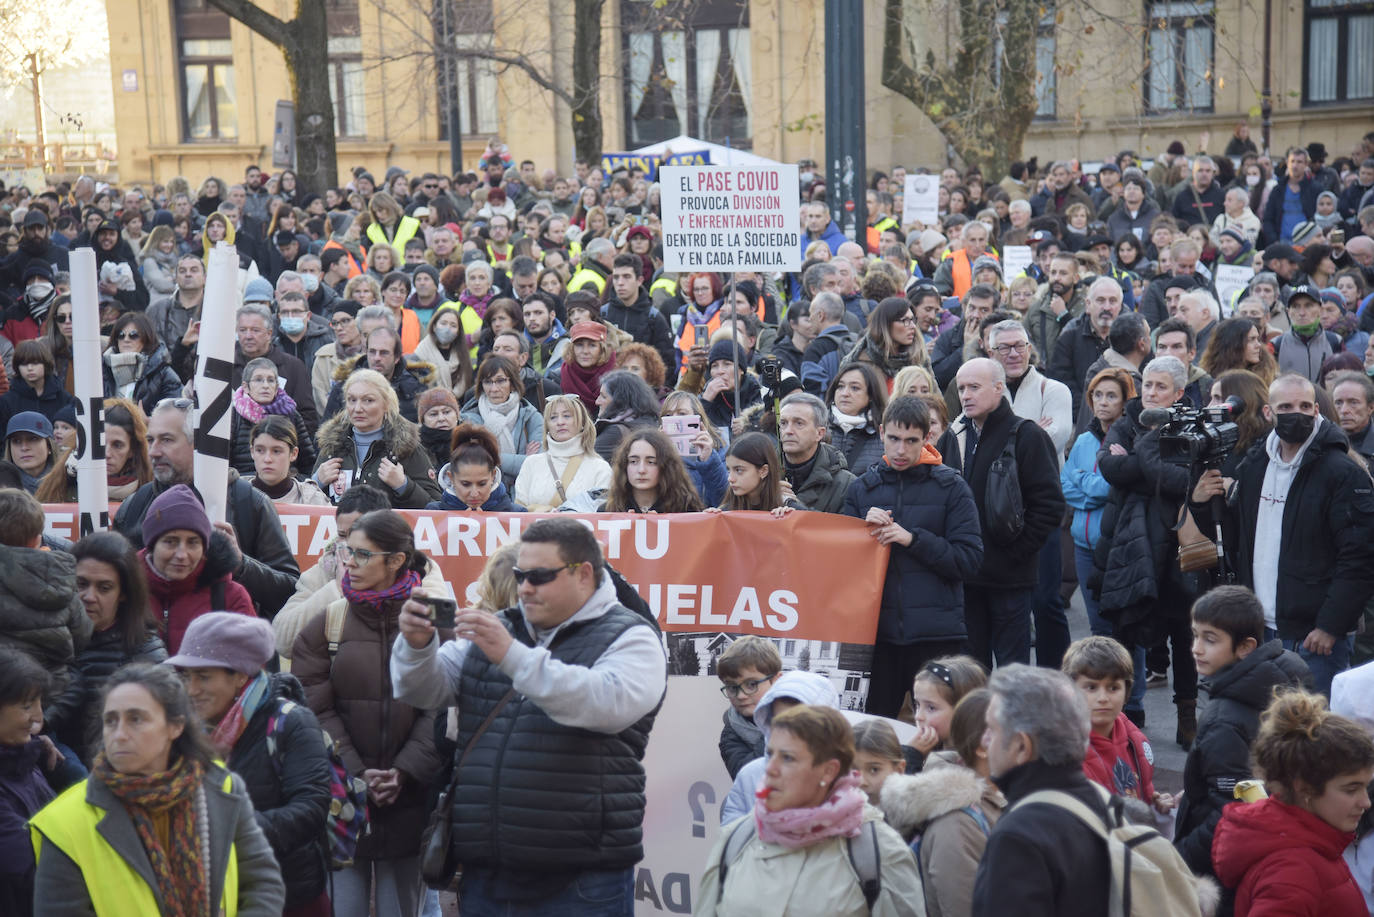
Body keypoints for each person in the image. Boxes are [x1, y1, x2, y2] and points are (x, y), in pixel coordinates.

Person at [391, 517, 667, 914]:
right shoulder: (502, 627)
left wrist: (512, 656)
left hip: (582, 877)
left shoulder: (631, 636)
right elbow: (421, 690)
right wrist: (416, 646)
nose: (524, 588)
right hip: (488, 872)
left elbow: (605, 704)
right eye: (520, 575)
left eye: (539, 576)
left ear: (584, 574)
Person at [30, 663, 286, 914]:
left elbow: (262, 882)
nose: (119, 734)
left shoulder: (220, 787)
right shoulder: (65, 821)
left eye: (136, 719)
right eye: (111, 721)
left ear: (175, 726)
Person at [292, 510, 442, 917]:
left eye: (362, 554)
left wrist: (404, 770)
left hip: (411, 802)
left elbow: (445, 706)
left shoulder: (434, 618)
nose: (350, 563)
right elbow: (313, 709)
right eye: (347, 551)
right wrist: (357, 774)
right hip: (342, 804)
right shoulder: (327, 622)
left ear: (396, 561)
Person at [1191, 372, 1374, 696]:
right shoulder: (1255, 465)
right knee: (1266, 722)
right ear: (1268, 412)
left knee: (1311, 724)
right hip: (1260, 629)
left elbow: (1358, 557)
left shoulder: (1342, 472)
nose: (1297, 414)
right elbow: (1236, 539)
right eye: (1286, 407)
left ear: (1316, 410)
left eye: (1304, 406)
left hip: (1313, 637)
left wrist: (1330, 625)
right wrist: (1203, 504)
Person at [169, 612, 334, 917]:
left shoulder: (290, 722)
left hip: (289, 895)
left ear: (241, 676)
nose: (191, 689)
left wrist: (231, 829)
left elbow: (311, 807)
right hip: (215, 894)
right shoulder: (183, 730)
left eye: (203, 677)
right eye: (186, 676)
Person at [698, 704, 924, 917]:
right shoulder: (737, 838)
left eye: (788, 758)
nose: (771, 768)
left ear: (829, 771)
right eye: (771, 754)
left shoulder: (879, 850)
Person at [842, 396, 983, 717]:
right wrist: (861, 532)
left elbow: (969, 561)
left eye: (911, 441)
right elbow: (844, 570)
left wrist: (912, 539)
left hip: (937, 636)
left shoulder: (952, 487)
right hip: (878, 637)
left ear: (927, 438)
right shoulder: (861, 489)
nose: (901, 450)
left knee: (941, 733)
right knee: (874, 733)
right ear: (881, 433)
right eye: (893, 439)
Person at [113, 398, 301, 618]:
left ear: (198, 443)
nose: (153, 451)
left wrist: (241, 565)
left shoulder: (249, 503)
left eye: (166, 440)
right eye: (150, 440)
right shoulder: (134, 506)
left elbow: (289, 592)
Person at [1173, 586, 1310, 878]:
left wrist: (1179, 859)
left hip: (1227, 866)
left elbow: (1231, 810)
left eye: (1210, 639)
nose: (1196, 648)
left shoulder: (1223, 720)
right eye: (1195, 635)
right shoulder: (1284, 672)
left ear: (1246, 647)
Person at [938, 359, 1065, 668]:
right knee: (970, 673)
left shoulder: (1027, 435)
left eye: (974, 387)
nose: (965, 395)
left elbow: (1049, 506)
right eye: (961, 388)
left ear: (998, 389)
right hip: (966, 579)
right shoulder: (953, 436)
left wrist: (1014, 555)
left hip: (1010, 580)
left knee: (1012, 673)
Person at [1212, 691, 1374, 916]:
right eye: (1351, 789)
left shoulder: (1313, 843)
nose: (1366, 802)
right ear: (1304, 787)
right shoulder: (1291, 874)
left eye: (1366, 787)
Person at [970, 665, 1111, 916]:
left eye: (991, 729)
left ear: (1022, 746)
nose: (984, 740)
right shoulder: (1107, 803)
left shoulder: (1017, 838)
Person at [879, 688, 1005, 917]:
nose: (1027, 744)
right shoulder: (958, 823)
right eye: (1014, 735)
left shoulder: (996, 798)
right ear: (982, 747)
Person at [0, 489, 90, 758]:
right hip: (48, 701)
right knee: (67, 768)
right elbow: (82, 636)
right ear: (38, 537)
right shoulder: (60, 578)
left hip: (6, 700)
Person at [64, 533, 167, 764]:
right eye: (81, 584)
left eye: (104, 588)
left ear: (123, 594)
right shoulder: (44, 637)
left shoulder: (145, 653)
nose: (89, 596)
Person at [139, 484, 256, 654]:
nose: (182, 554)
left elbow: (250, 663)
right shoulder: (124, 591)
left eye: (193, 542)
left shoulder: (231, 597)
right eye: (170, 541)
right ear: (151, 545)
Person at [1061, 636, 1173, 812]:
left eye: (1113, 688)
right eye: (1091, 687)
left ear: (1127, 691)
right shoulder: (1065, 755)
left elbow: (1140, 790)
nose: (1103, 698)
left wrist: (1153, 803)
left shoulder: (1133, 737)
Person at [1062, 368, 1134, 640]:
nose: (1103, 402)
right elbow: (1064, 484)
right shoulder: (1083, 440)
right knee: (1098, 628)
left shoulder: (1130, 439)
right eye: (1098, 395)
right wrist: (1093, 494)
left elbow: (1113, 487)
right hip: (1083, 546)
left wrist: (1084, 481)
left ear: (1125, 402)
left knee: (1127, 629)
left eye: (1111, 396)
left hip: (1117, 546)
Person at [313, 368, 442, 509]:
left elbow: (435, 507)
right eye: (352, 400)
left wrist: (404, 486)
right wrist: (316, 482)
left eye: (368, 400)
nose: (357, 408)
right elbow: (306, 505)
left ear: (386, 404)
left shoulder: (406, 447)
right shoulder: (332, 445)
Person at [0, 647, 56, 917]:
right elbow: (39, 869)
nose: (38, 718)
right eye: (26, 706)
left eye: (39, 704)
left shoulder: (23, 758)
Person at [36, 399, 153, 504]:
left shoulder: (150, 491)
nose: (107, 453)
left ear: (132, 450)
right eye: (99, 443)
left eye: (117, 445)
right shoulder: (62, 481)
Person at [513, 394, 612, 511]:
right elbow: (519, 511)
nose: (560, 422)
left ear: (582, 422)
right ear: (547, 426)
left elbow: (602, 514)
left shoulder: (600, 468)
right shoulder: (531, 463)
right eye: (553, 417)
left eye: (567, 416)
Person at [459, 355, 544, 487]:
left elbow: (538, 463)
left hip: (525, 490)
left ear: (513, 383)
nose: (494, 389)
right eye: (488, 382)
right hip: (485, 492)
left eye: (500, 381)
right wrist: (525, 459)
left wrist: (490, 456)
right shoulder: (467, 420)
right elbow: (475, 462)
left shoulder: (531, 416)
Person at [230, 355, 316, 476]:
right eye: (258, 380)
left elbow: (308, 463)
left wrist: (297, 482)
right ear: (246, 387)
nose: (265, 385)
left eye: (270, 380)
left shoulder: (292, 415)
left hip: (286, 482)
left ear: (276, 387)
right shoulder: (234, 416)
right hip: (244, 482)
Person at [775, 392, 855, 514]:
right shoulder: (761, 473)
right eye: (783, 423)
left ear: (820, 433)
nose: (788, 431)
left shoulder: (846, 485)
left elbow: (843, 526)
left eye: (799, 423)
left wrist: (794, 506)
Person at [715, 636, 782, 780]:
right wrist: (778, 727)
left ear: (776, 680)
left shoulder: (806, 714)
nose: (741, 695)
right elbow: (749, 779)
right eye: (732, 687)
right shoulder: (731, 734)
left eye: (751, 684)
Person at [602, 428, 705, 514]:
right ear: (625, 465)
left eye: (651, 462)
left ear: (665, 466)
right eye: (633, 462)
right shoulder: (608, 511)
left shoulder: (686, 509)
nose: (641, 470)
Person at [426, 423, 524, 512]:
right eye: (465, 484)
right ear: (451, 478)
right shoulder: (432, 513)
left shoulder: (518, 514)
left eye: (482, 484)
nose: (474, 494)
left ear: (493, 476)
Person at [661, 390, 729, 507]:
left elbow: (724, 500)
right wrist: (659, 456)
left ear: (698, 418)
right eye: (668, 415)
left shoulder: (719, 448)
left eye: (682, 414)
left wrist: (709, 459)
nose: (675, 419)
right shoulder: (655, 451)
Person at [246, 416, 331, 506]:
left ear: (293, 453)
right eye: (260, 450)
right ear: (252, 451)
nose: (267, 459)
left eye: (276, 451)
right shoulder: (236, 495)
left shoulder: (314, 500)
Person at [714, 432, 799, 516]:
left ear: (763, 471)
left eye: (739, 470)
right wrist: (711, 518)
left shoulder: (787, 507)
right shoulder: (725, 512)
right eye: (729, 470)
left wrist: (791, 518)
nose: (730, 478)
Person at [1274, 282, 1343, 384]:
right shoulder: (1276, 344)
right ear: (1288, 312)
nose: (1302, 313)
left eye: (1308, 306)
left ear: (1320, 309)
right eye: (1296, 306)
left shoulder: (1335, 341)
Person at [826, 362, 888, 476]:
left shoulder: (883, 435)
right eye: (840, 386)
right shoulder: (818, 427)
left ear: (871, 395)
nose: (845, 393)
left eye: (855, 388)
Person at [0, 340, 76, 433]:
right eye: (24, 364)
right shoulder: (6, 402)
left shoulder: (64, 398)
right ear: (17, 367)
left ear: (45, 364)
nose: (30, 368)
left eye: (35, 363)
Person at [412, 302, 477, 403]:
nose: (447, 329)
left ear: (458, 331)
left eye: (453, 325)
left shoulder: (463, 354)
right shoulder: (420, 353)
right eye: (443, 323)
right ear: (434, 326)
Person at [594, 369, 662, 462]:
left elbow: (588, 466)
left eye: (603, 396)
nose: (597, 402)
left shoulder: (615, 432)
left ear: (620, 401)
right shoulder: (653, 424)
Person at [560, 320, 617, 417]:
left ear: (602, 349)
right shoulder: (559, 377)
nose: (585, 351)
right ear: (571, 348)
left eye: (592, 345)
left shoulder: (616, 376)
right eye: (579, 345)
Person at [1200, 316, 1278, 386]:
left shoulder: (1269, 379)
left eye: (1258, 339)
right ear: (1233, 345)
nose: (1258, 345)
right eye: (1251, 339)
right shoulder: (1207, 381)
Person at [3, 413, 56, 493]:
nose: (24, 448)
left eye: (33, 439)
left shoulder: (70, 481)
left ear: (49, 446)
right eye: (16, 441)